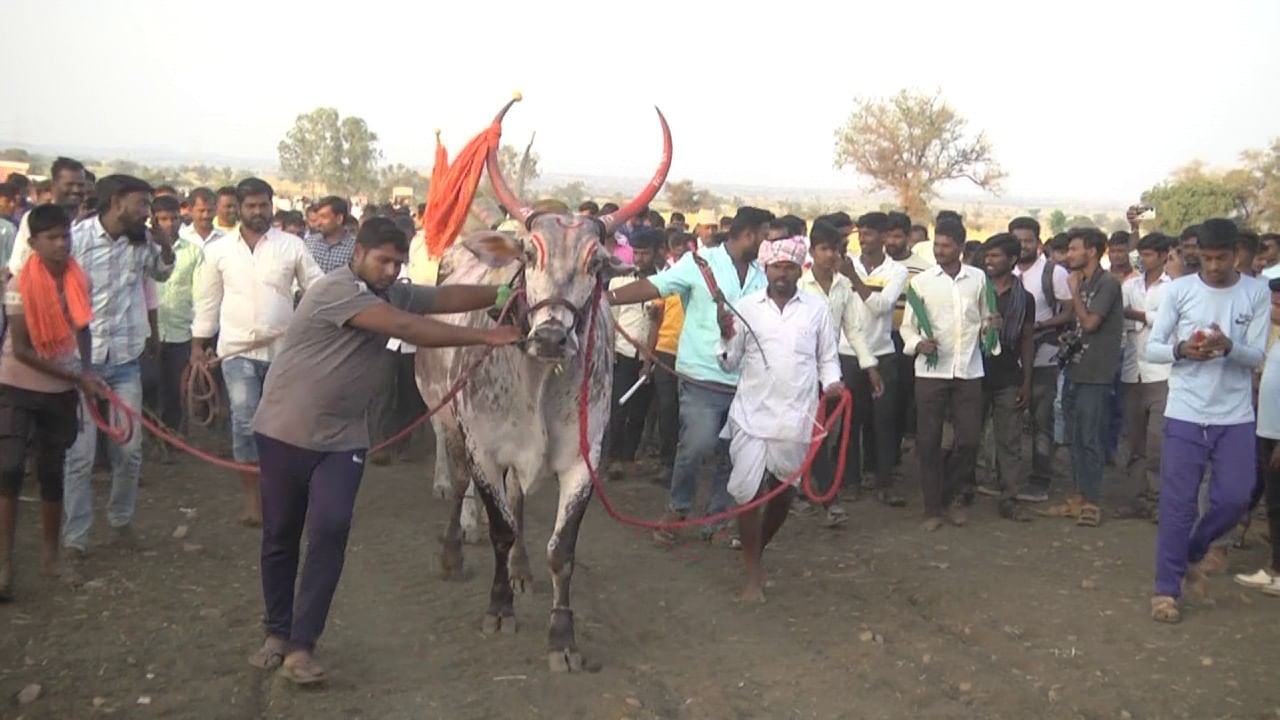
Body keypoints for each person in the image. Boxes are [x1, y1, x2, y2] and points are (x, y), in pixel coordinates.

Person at [246, 217, 521, 683]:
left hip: (345, 438)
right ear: (359, 251)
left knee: (330, 529)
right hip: (285, 431)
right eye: (384, 260)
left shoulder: (391, 291)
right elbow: (407, 327)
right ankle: (277, 631)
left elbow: (443, 299)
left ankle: (301, 646)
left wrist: (503, 295)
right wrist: (487, 335)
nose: (392, 270)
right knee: (280, 535)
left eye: (399, 261)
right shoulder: (336, 291)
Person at [608, 207, 774, 544]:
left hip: (744, 380)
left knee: (730, 453)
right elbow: (656, 286)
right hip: (701, 376)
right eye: (764, 234)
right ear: (749, 234)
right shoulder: (699, 263)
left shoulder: (761, 275)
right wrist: (605, 298)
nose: (765, 241)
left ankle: (716, 518)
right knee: (696, 446)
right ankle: (677, 508)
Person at [1146, 219, 1270, 622]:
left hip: (1234, 415)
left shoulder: (1255, 292)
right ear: (1196, 253)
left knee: (1236, 497)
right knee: (1177, 505)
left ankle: (1194, 550)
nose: (1213, 266)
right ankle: (1166, 591)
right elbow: (1154, 348)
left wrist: (1228, 346)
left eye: (1221, 258)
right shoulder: (1180, 290)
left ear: (1237, 254)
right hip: (1185, 411)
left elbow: (1256, 356)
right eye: (1206, 258)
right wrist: (1183, 349)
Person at [716, 235, 842, 602]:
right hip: (751, 416)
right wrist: (725, 338)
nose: (782, 274)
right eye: (776, 267)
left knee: (782, 494)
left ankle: (756, 550)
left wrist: (833, 384)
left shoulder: (816, 309)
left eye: (789, 267)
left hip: (796, 417)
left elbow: (827, 358)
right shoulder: (746, 308)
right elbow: (728, 362)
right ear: (765, 269)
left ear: (798, 269)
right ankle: (753, 573)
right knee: (747, 492)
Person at [191, 178, 323, 527]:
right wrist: (197, 347)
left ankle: (282, 495)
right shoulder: (218, 251)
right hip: (235, 352)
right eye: (250, 206)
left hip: (284, 352)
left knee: (283, 426)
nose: (258, 212)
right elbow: (207, 302)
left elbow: (317, 288)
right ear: (237, 208)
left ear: (271, 205)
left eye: (264, 205)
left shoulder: (292, 245)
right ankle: (252, 501)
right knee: (245, 421)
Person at [60, 176, 175, 557]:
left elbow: (161, 274)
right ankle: (76, 539)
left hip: (125, 361)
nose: (147, 212)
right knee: (79, 456)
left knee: (129, 450)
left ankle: (121, 521)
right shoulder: (75, 240)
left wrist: (165, 243)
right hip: (81, 365)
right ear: (115, 202)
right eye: (141, 204)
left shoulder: (140, 242)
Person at [0, 206, 108, 599]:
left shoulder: (80, 279)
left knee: (51, 472)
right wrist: (79, 376)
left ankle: (50, 557)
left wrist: (88, 370)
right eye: (52, 238)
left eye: (65, 236)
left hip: (61, 391)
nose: (62, 244)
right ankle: (5, 562)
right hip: (17, 385)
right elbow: (24, 351)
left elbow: (84, 330)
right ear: (33, 244)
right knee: (9, 470)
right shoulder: (17, 284)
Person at [900, 219, 990, 530]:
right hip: (930, 371)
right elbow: (907, 327)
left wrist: (992, 327)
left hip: (968, 369)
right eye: (937, 245)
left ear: (961, 248)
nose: (940, 251)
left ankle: (948, 496)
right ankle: (932, 509)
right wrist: (917, 344)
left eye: (946, 246)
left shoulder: (978, 279)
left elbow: (987, 317)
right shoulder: (921, 282)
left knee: (968, 440)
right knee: (928, 441)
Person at [801, 220, 881, 525]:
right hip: (795, 372)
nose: (830, 255)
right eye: (824, 249)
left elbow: (854, 330)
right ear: (812, 251)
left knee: (821, 436)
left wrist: (869, 365)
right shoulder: (799, 285)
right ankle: (815, 495)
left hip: (828, 372)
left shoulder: (844, 286)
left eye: (835, 249)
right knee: (802, 436)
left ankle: (825, 498)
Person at [1051, 227, 1124, 527]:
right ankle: (1079, 496)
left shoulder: (1107, 283)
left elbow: (1091, 322)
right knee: (1076, 437)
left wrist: (1073, 291)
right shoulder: (1084, 281)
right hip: (1077, 368)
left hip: (1096, 372)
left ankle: (1092, 501)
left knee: (1091, 437)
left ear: (1092, 251)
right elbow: (1082, 328)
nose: (1069, 255)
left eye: (1074, 249)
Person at [838, 212, 909, 506]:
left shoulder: (896, 271)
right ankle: (851, 481)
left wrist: (853, 277)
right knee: (850, 421)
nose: (863, 238)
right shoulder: (844, 264)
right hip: (847, 352)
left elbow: (882, 307)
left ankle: (883, 481)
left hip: (882, 353)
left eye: (868, 233)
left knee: (884, 420)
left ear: (883, 236)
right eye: (861, 233)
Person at [1009, 217, 1075, 503]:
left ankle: (1040, 479)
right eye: (1018, 240)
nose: (1023, 246)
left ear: (1038, 242)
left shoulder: (1053, 273)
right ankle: (1008, 476)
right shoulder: (1003, 269)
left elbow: (1069, 313)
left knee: (1041, 419)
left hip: (1043, 355)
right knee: (1008, 419)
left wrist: (1040, 326)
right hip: (1011, 358)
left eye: (1028, 240)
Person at [975, 233, 1035, 499]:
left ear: (1012, 259)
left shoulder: (1025, 298)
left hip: (1008, 374)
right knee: (967, 437)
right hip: (973, 370)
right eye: (988, 255)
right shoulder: (974, 289)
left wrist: (1026, 381)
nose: (989, 260)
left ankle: (1010, 495)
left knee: (1009, 439)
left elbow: (1027, 339)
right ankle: (963, 488)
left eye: (996, 255)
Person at [1118, 234, 1172, 518]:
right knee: (1135, 440)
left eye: (1150, 254)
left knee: (1157, 442)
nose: (1144, 260)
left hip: (1161, 373)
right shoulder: (1130, 285)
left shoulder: (1173, 289)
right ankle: (1137, 497)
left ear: (1164, 256)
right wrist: (1145, 317)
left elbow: (1167, 323)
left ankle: (1158, 499)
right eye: (1142, 254)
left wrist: (1138, 316)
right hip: (1132, 371)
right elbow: (1122, 317)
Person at [1233, 275, 1280, 595]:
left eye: (1279, 302)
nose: (1274, 307)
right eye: (1273, 301)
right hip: (1266, 429)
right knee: (1271, 501)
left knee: (1278, 504)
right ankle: (1275, 566)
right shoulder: (1275, 340)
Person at [606, 229, 661, 469]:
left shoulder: (665, 283)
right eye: (636, 253)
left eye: (645, 253)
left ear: (656, 254)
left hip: (651, 356)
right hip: (623, 353)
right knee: (617, 407)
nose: (639, 258)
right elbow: (611, 320)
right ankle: (613, 456)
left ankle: (628, 456)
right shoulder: (619, 282)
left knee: (640, 410)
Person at [5, 158, 89, 280]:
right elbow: (18, 266)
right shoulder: (35, 217)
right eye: (69, 185)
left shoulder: (92, 221)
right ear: (54, 186)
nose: (76, 190)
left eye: (80, 185)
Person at [650, 231, 690, 475]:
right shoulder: (666, 279)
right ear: (671, 252)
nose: (683, 253)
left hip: (692, 356)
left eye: (687, 249)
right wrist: (650, 354)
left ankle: (684, 462)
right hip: (666, 351)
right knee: (667, 407)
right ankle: (667, 461)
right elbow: (655, 319)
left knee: (687, 411)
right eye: (679, 249)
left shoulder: (706, 281)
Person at [304, 196, 356, 274]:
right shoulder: (309, 243)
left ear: (339, 219)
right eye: (317, 218)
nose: (318, 223)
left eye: (323, 217)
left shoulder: (354, 249)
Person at [0, 183, 16, 270]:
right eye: (7, 201)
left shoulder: (13, 225)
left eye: (14, 201)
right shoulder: (10, 228)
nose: (12, 205)